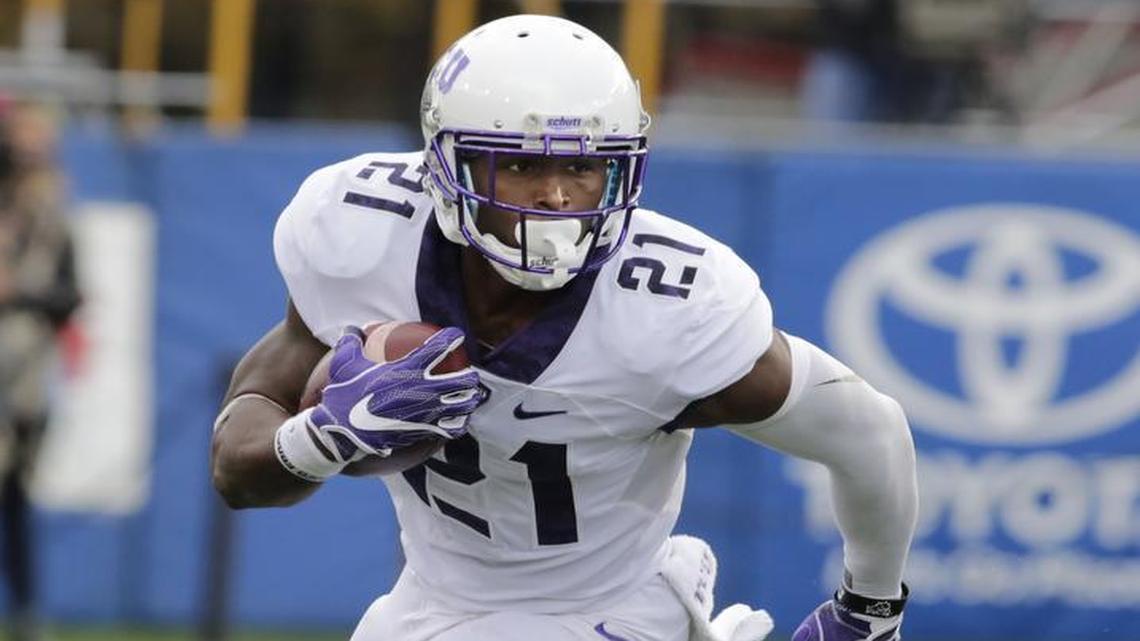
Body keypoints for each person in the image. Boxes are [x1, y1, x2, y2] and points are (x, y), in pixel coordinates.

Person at [210, 15, 918, 641]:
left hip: (610, 610)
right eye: (520, 164)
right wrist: (323, 436)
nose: (555, 196)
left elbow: (869, 431)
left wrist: (868, 609)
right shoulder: (357, 236)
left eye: (582, 166)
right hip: (431, 607)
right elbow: (237, 472)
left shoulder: (670, 306)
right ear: (444, 165)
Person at [0, 98, 81, 641]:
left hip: (19, 371)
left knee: (13, 495)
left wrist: (21, 293)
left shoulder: (53, 221)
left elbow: (69, 294)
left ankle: (27, 612)